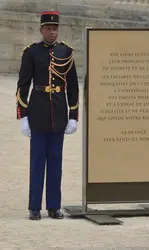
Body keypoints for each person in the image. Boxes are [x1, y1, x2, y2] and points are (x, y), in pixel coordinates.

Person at [16, 11, 79, 220]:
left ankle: (54, 206)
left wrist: (74, 115)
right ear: (41, 29)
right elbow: (23, 85)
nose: (52, 32)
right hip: (38, 112)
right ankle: (34, 206)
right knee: (37, 161)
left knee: (55, 161)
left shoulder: (66, 52)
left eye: (55, 28)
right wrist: (23, 116)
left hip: (59, 112)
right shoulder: (31, 52)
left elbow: (73, 88)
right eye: (48, 28)